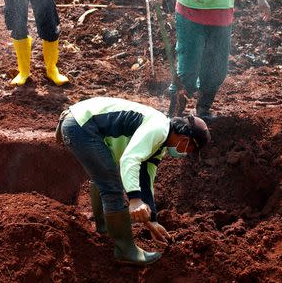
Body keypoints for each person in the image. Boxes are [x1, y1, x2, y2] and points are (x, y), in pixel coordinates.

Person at [57, 97, 211, 265]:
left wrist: (152, 220)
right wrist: (135, 200)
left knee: (105, 178)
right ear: (185, 140)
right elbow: (129, 159)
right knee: (112, 186)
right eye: (190, 149)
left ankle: (105, 228)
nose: (186, 154)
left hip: (80, 123)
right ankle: (125, 251)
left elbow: (146, 178)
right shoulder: (159, 128)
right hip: (82, 126)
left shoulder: (160, 143)